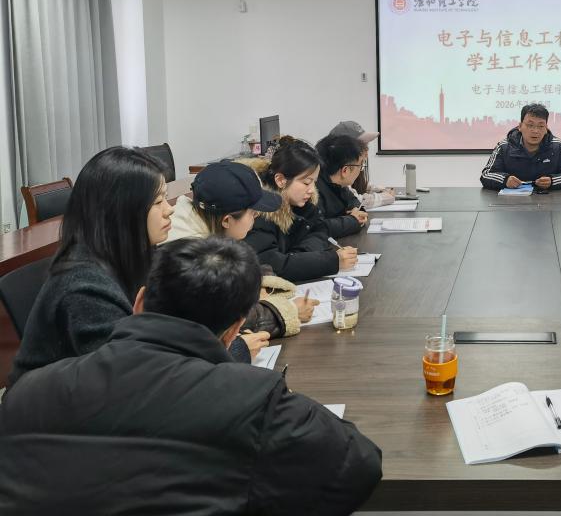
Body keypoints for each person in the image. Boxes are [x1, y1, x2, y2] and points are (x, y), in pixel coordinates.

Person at [0, 237, 383, 515]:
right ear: (234, 330)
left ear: (139, 302)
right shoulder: (253, 400)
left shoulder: (27, 392)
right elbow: (360, 464)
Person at [8, 146, 173, 387]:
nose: (169, 209)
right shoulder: (85, 289)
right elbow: (129, 380)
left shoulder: (134, 254)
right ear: (122, 212)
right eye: (158, 201)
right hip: (52, 407)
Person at [167, 161, 316, 340]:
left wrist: (258, 284)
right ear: (227, 220)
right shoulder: (189, 259)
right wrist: (289, 311)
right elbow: (223, 322)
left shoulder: (208, 225)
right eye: (253, 213)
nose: (257, 216)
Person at [242, 137, 358, 283]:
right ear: (281, 180)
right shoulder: (259, 214)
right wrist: (331, 261)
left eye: (314, 182)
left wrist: (300, 256)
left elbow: (319, 231)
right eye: (306, 182)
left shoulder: (303, 204)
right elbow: (271, 266)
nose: (312, 190)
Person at [480, 104, 561, 191]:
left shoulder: (558, 146)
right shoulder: (504, 146)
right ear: (520, 126)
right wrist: (505, 180)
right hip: (512, 202)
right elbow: (486, 174)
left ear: (546, 128)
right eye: (530, 125)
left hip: (548, 201)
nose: (535, 131)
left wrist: (553, 181)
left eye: (541, 126)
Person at [314, 134, 369, 238]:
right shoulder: (314, 191)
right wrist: (352, 220)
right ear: (345, 170)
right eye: (360, 166)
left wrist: (357, 211)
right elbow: (318, 227)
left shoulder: (339, 185)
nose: (360, 170)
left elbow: (354, 202)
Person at [331, 120, 395, 208]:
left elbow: (359, 185)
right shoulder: (336, 172)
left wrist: (380, 189)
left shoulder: (350, 167)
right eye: (362, 146)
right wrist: (385, 197)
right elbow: (355, 200)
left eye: (366, 145)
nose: (366, 152)